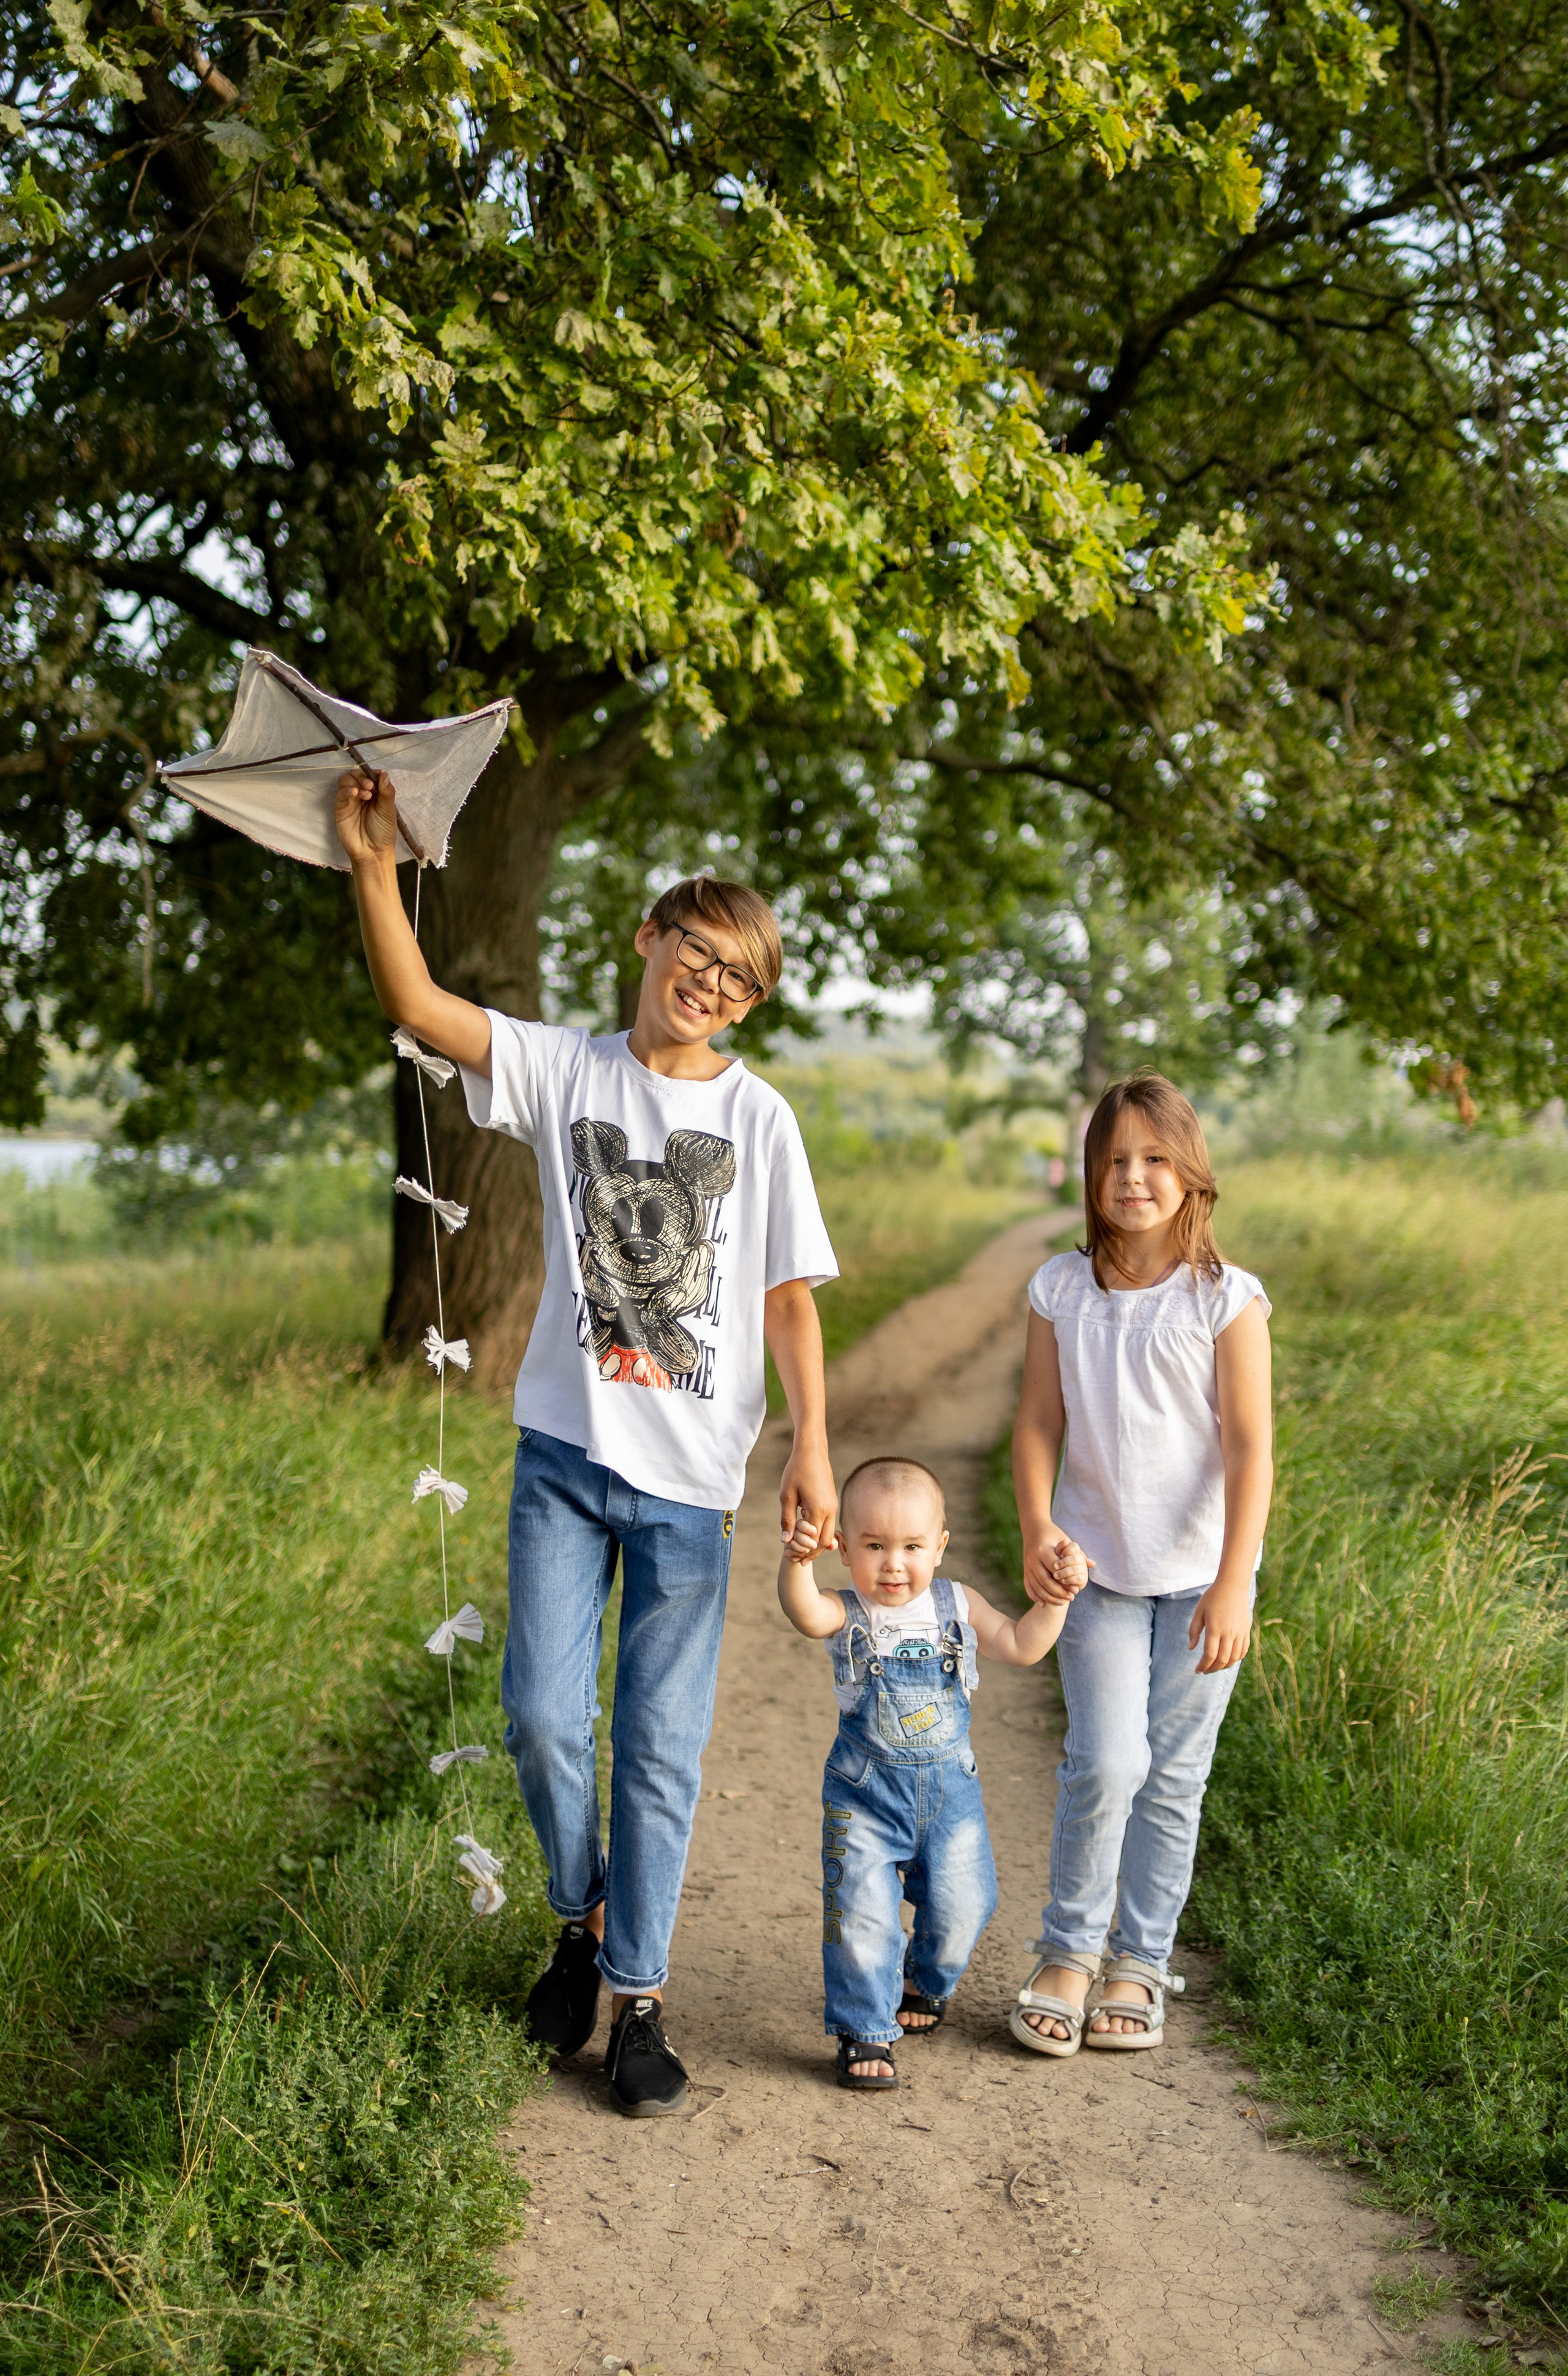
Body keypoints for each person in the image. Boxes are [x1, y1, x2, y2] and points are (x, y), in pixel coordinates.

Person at [336, 767, 839, 2117]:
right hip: (561, 1455)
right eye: (698, 952)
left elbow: (788, 1294)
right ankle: (576, 1917)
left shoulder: (757, 1118)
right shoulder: (567, 1070)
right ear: (649, 936)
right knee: (544, 1716)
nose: (712, 985)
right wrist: (375, 866)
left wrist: (810, 1450)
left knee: (658, 1749)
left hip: (689, 1487)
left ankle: (638, 1999)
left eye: (740, 978)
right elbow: (419, 1007)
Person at [1008, 1072, 1273, 2057]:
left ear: (1190, 1171)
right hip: (1098, 1571)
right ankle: (1069, 1951)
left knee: (1173, 1777)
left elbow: (1250, 1447)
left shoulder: (1225, 1298)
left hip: (1204, 1578)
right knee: (1107, 1760)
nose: (1133, 1177)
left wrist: (1235, 1577)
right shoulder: (1060, 1288)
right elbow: (1038, 1420)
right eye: (1115, 1159)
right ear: (1090, 1173)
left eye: (1155, 1158)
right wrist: (1037, 1523)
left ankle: (1140, 1959)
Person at [777, 1455, 1087, 2091]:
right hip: (863, 1794)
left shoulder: (956, 1604)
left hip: (950, 1797)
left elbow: (1023, 1645)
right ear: (844, 1547)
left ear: (940, 1547)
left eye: (912, 1546)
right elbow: (805, 1613)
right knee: (860, 1913)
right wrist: (797, 1564)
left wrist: (1055, 1601)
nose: (894, 1564)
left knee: (964, 1904)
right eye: (874, 1546)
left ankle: (924, 1977)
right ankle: (865, 2027)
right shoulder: (846, 1609)